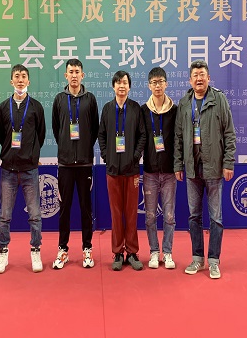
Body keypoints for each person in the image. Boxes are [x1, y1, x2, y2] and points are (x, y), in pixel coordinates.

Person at [174, 59, 236, 279]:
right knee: (194, 216)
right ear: (190, 80)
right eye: (195, 75)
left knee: (216, 218)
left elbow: (229, 133)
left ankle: (214, 261)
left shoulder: (219, 99)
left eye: (202, 75)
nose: (199, 79)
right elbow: (178, 137)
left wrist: (228, 163)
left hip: (214, 167)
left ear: (208, 78)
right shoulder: (184, 103)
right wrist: (178, 164)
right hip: (192, 168)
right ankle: (197, 258)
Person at [0, 64, 46, 274]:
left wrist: (31, 155)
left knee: (34, 214)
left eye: (24, 76)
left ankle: (35, 250)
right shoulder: (3, 108)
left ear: (29, 81)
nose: (20, 80)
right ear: (11, 81)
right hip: (8, 169)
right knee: (4, 215)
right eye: (17, 76)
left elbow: (40, 135)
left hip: (29, 169)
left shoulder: (36, 107)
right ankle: (2, 252)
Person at [51, 59, 99, 269]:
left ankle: (87, 248)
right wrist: (66, 147)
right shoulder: (59, 99)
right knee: (64, 209)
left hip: (85, 164)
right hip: (65, 165)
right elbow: (56, 128)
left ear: (82, 75)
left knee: (86, 208)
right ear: (65, 75)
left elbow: (95, 128)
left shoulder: (90, 99)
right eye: (70, 71)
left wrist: (85, 148)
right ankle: (63, 250)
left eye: (77, 71)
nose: (73, 75)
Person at [98, 70, 146, 271]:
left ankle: (132, 252)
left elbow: (142, 136)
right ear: (113, 86)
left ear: (129, 86)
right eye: (118, 82)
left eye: (125, 82)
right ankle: (118, 252)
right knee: (116, 213)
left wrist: (134, 157)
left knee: (131, 213)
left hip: (131, 170)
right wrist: (106, 156)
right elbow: (101, 135)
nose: (121, 86)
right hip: (112, 170)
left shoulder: (135, 108)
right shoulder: (107, 109)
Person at [141, 67, 178, 270]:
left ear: (166, 84)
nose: (157, 86)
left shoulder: (175, 110)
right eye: (154, 82)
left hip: (170, 172)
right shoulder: (143, 111)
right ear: (149, 85)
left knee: (170, 216)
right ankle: (154, 251)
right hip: (150, 172)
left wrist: (179, 165)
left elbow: (179, 140)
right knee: (150, 216)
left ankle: (168, 252)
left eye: (161, 81)